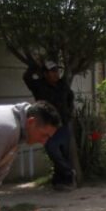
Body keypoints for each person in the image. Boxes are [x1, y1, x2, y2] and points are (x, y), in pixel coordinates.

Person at [23, 61, 76, 189]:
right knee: (53, 150)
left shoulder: (62, 85)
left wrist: (68, 113)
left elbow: (70, 96)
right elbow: (26, 78)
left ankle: (61, 181)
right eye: (52, 71)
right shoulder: (39, 86)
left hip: (62, 124)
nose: (56, 74)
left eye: (57, 71)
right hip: (46, 126)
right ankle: (69, 172)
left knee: (63, 153)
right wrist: (34, 66)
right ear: (45, 74)